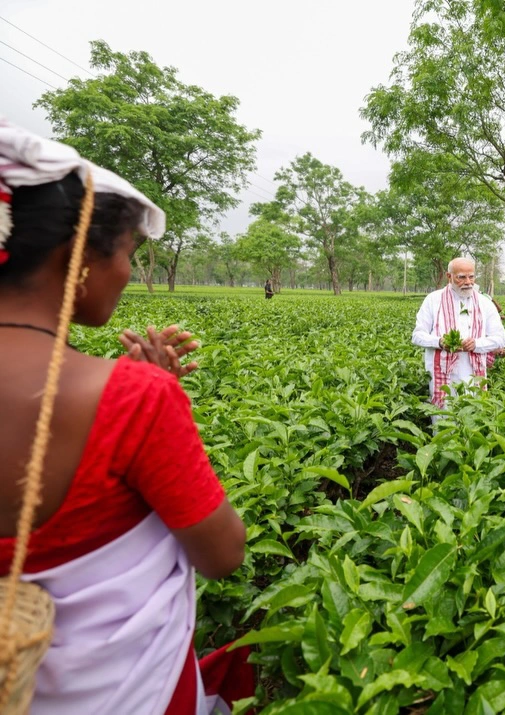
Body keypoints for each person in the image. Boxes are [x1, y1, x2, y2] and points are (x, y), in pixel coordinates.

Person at [0, 120, 250, 713]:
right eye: (129, 253)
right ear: (78, 258)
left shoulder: (133, 395)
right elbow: (223, 554)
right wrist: (153, 393)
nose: (129, 273)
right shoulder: (130, 400)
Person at [412, 256, 505, 410]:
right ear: (449, 277)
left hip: (473, 373)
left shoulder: (485, 303)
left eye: (471, 277)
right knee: (443, 416)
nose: (468, 282)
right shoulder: (433, 300)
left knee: (472, 416)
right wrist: (440, 342)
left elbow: (501, 338)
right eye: (461, 277)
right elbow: (417, 336)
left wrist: (476, 344)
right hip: (441, 372)